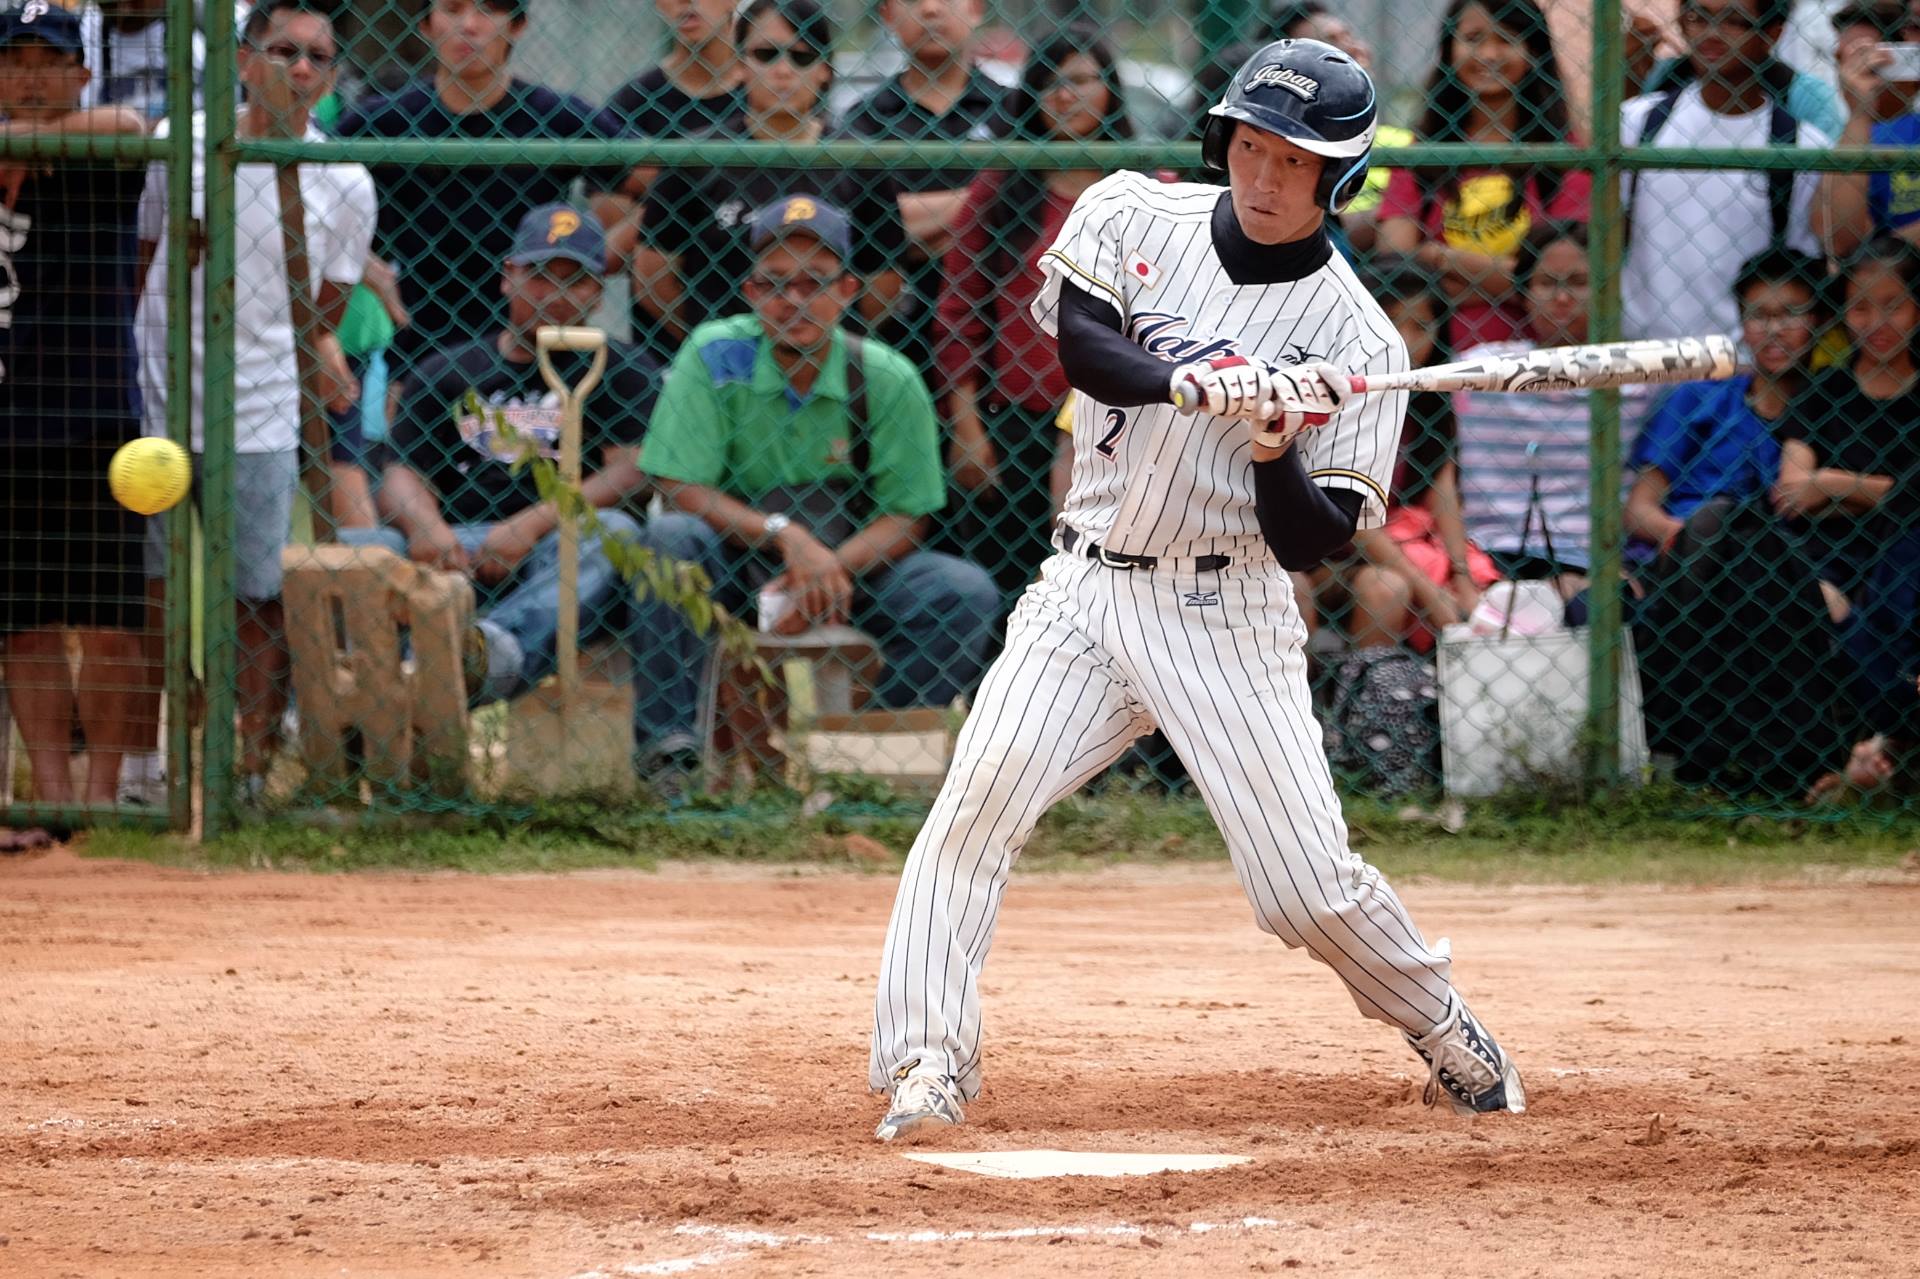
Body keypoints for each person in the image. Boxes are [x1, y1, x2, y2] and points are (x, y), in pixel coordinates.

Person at [870, 40, 1525, 1143]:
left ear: (1340, 179)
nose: (1264, 179)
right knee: (972, 812)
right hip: (1083, 589)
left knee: (1301, 891)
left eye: (1294, 162)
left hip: (1226, 611)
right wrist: (1187, 378)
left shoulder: (1357, 336)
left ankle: (1440, 1016)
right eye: (1250, 148)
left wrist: (1275, 444)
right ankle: (927, 1063)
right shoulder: (1136, 213)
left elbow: (1314, 542)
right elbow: (1082, 346)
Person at [130, 0, 374, 788]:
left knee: (257, 595)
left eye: (317, 57)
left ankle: (246, 763)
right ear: (243, 58)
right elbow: (145, 257)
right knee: (152, 590)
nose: (299, 68)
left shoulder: (346, 181)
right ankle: (152, 757)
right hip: (160, 397)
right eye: (282, 50)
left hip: (266, 409)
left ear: (331, 76)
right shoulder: (183, 144)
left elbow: (324, 313)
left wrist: (310, 363)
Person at [367, 204, 699, 776]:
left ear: (598, 291)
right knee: (358, 545)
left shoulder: (621, 369)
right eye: (541, 276)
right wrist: (426, 529)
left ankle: (485, 657)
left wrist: (532, 524)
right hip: (454, 541)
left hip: (560, 548)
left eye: (575, 281)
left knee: (616, 533)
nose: (555, 294)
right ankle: (337, 711)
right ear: (508, 276)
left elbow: (630, 471)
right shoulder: (449, 368)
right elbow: (400, 473)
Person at [641, 197, 997, 720]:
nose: (794, 300)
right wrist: (786, 536)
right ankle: (671, 750)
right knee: (672, 540)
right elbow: (678, 485)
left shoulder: (888, 376)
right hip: (738, 558)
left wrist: (826, 568)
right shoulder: (713, 353)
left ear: (848, 291)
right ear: (750, 292)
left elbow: (907, 516)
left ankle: (873, 747)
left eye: (816, 282)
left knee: (962, 592)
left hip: (849, 569)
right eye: (775, 283)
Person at [0, 0, 150, 821]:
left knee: (110, 621)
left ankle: (101, 800)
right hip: (8, 422)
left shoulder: (103, 149)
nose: (29, 75)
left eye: (47, 59)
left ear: (78, 72)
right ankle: (52, 799)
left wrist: (23, 139)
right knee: (23, 623)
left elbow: (132, 124)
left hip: (97, 418)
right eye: (13, 59)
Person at [1628, 247, 1846, 795]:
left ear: (1819, 320)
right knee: (1719, 524)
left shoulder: (1833, 410)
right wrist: (1695, 538)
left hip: (1779, 575)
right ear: (1742, 324)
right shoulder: (1701, 399)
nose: (1774, 331)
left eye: (1792, 314)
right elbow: (1639, 508)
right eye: (1759, 316)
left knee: (1746, 552)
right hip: (1685, 560)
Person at [933, 24, 1132, 607]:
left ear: (1111, 90)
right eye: (1048, 85)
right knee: (1018, 585)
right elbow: (958, 314)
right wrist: (966, 428)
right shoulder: (1002, 191)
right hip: (1016, 422)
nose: (1064, 97)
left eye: (1080, 81)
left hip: (1118, 423)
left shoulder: (1146, 189)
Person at [339, 0, 620, 382]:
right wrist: (358, 260)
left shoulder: (555, 116)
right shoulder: (385, 119)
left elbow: (654, 183)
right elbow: (299, 186)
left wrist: (586, 262)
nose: (468, 26)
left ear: (517, 25)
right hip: (416, 351)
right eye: (452, 9)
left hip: (534, 355)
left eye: (488, 10)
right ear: (426, 24)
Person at [634, 0, 905, 367]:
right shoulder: (697, 157)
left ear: (825, 69)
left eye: (801, 57)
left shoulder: (857, 162)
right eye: (766, 54)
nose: (783, 71)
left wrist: (827, 345)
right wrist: (716, 346)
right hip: (725, 370)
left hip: (825, 367)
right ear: (741, 64)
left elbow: (883, 283)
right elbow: (653, 276)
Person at [1775, 237, 1920, 794]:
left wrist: (1835, 484)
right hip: (1825, 558)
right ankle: (1856, 755)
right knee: (1809, 598)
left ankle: (1881, 748)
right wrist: (1882, 491)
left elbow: (1905, 505)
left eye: (1893, 305)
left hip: (1902, 560)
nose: (1876, 321)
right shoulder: (1823, 390)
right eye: (1860, 306)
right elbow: (1791, 490)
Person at [1454, 223, 1655, 604]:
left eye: (1578, 282)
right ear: (1525, 294)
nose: (1562, 297)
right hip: (1493, 553)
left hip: (1595, 558)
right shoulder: (1481, 370)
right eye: (1546, 283)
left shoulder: (1636, 376)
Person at [1376, 0, 1590, 352]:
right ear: (1449, 50)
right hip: (1438, 362)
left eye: (1506, 39)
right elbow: (1397, 269)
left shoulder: (1564, 152)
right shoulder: (1426, 149)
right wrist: (1516, 281)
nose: (1489, 54)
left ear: (1533, 50)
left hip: (1539, 364)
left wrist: (1440, 258)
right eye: (1473, 38)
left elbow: (1566, 279)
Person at [1311, 259, 1497, 651]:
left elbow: (1442, 496)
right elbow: (1357, 523)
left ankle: (1389, 701)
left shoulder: (1430, 402)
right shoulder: (1332, 401)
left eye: (1421, 327)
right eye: (1393, 321)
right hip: (1322, 557)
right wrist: (1431, 593)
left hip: (1389, 553)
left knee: (1399, 587)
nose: (1405, 340)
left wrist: (1462, 579)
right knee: (1381, 588)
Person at [1620, 0, 1831, 342]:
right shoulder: (1637, 124)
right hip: (1642, 354)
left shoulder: (1804, 146)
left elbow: (1802, 264)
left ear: (1772, 34)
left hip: (1742, 362)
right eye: (1698, 17)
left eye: (1734, 21)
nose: (1711, 34)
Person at [838, 0, 1010, 377]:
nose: (931, 9)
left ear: (976, 8)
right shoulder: (864, 121)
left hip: (998, 334)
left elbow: (1028, 222)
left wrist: (902, 225)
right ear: (887, 14)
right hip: (891, 338)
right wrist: (987, 201)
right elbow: (863, 232)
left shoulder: (1014, 113)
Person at [1268, 2, 1406, 254]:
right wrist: (1403, 211)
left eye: (1349, 35)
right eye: (1331, 41)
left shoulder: (1403, 139)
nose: (1354, 47)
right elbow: (1338, 232)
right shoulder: (1293, 144)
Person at [1812, 2, 1920, 258]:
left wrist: (1877, 259)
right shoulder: (1846, 135)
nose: (1849, 72)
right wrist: (1860, 113)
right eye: (1842, 58)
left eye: (1866, 57)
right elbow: (1840, 241)